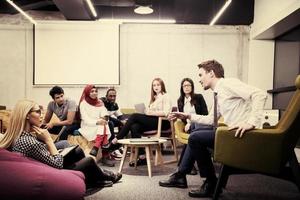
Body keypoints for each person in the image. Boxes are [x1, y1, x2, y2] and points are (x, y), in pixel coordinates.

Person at [159, 60, 267, 198]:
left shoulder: (228, 84)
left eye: (200, 75)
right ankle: (181, 175)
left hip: (243, 135)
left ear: (211, 73)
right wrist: (187, 115)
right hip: (232, 133)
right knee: (196, 133)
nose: (199, 80)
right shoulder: (218, 93)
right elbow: (211, 120)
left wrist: (251, 122)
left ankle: (210, 182)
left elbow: (260, 94)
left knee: (196, 138)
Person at [0, 99, 122, 191]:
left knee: (77, 151)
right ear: (27, 115)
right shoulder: (29, 141)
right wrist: (48, 140)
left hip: (44, 165)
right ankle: (105, 176)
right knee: (89, 160)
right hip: (52, 172)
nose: (42, 115)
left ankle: (96, 177)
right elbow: (57, 165)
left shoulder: (20, 135)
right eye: (38, 112)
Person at [111, 78, 172, 166]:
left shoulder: (166, 96)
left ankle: (118, 138)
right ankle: (142, 157)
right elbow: (151, 112)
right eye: (154, 85)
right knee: (134, 126)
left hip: (163, 122)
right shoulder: (154, 98)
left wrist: (151, 112)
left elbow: (166, 112)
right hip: (154, 121)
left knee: (134, 116)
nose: (156, 87)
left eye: (158, 85)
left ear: (162, 85)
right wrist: (146, 111)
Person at [177, 78, 208, 175]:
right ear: (182, 88)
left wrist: (190, 123)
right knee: (191, 131)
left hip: (200, 123)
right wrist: (187, 123)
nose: (186, 87)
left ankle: (184, 165)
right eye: (184, 86)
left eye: (188, 85)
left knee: (193, 128)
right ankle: (189, 165)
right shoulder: (180, 100)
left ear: (192, 87)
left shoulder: (199, 97)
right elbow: (182, 117)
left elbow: (205, 114)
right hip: (189, 126)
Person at [78, 85, 115, 167]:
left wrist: (104, 119)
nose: (94, 93)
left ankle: (96, 147)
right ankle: (105, 156)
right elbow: (85, 119)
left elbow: (105, 114)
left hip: (99, 125)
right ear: (87, 93)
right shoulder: (83, 104)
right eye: (92, 91)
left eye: (96, 91)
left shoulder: (100, 103)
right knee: (103, 126)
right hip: (88, 126)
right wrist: (98, 122)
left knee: (104, 125)